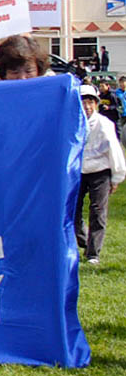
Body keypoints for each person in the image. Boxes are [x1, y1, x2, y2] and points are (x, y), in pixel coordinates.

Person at [77, 84, 125, 265]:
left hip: (100, 171)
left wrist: (116, 177)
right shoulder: (71, 124)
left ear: (96, 104)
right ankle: (84, 240)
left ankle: (93, 253)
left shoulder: (104, 125)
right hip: (78, 172)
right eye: (83, 102)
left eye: (90, 102)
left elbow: (114, 151)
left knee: (98, 211)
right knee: (73, 210)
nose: (87, 107)